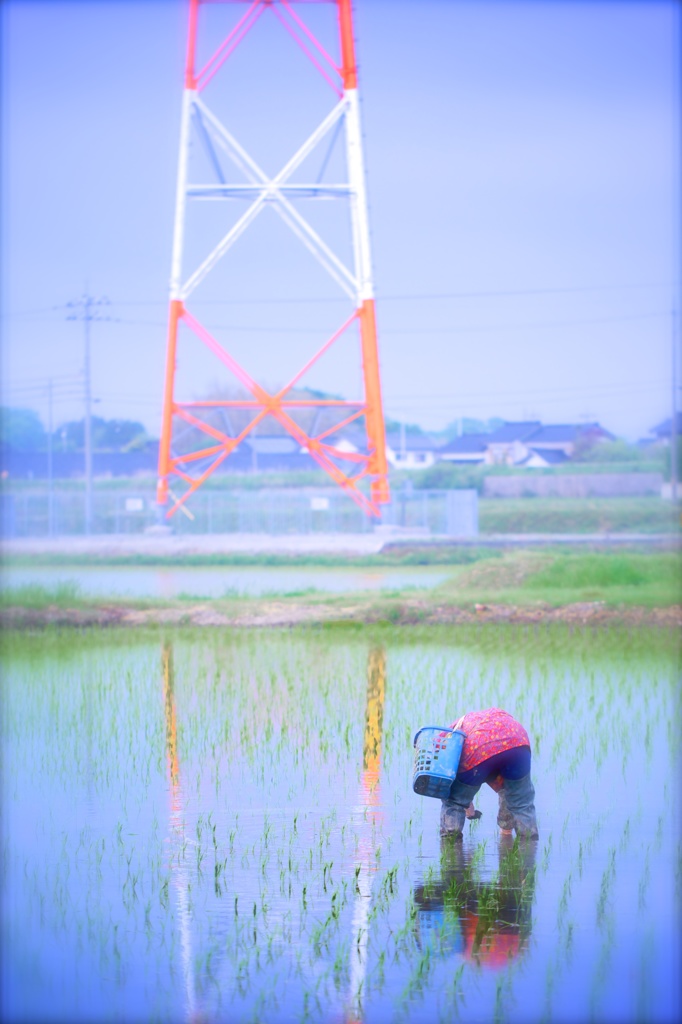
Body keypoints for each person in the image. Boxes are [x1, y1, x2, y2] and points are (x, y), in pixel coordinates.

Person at [440, 707, 538, 839]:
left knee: (454, 801)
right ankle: (526, 845)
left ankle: (451, 847)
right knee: (521, 802)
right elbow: (506, 791)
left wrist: (462, 800)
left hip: (480, 747)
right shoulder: (493, 717)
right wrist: (505, 832)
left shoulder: (453, 731)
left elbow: (454, 779)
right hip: (518, 743)